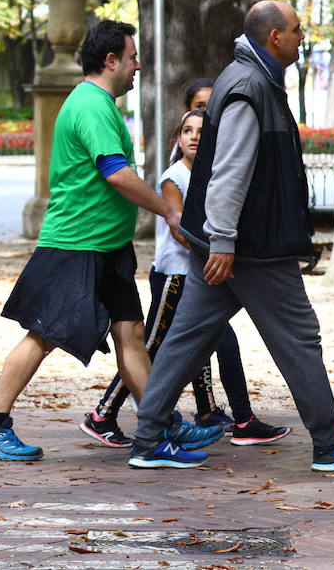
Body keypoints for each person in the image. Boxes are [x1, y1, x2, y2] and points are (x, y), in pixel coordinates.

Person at [129, 1, 334, 471]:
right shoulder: (249, 85)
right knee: (299, 336)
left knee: (186, 338)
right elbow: (230, 172)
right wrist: (222, 241)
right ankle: (328, 443)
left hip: (236, 244)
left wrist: (219, 240)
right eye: (297, 30)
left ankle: (147, 440)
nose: (303, 36)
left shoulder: (249, 78)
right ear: (274, 38)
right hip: (251, 248)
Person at [0, 20, 223, 462]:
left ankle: (156, 425)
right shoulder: (90, 105)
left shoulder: (99, 103)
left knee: (131, 334)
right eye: (132, 57)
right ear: (111, 61)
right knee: (42, 336)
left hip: (106, 245)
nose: (137, 65)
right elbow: (117, 173)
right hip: (76, 244)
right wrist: (168, 209)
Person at [80, 110, 288, 448]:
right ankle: (103, 413)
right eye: (187, 131)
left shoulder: (210, 174)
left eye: (201, 132)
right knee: (150, 346)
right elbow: (181, 231)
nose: (193, 137)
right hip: (174, 276)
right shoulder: (173, 176)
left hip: (195, 272)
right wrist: (221, 250)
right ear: (178, 138)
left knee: (197, 343)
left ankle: (209, 414)